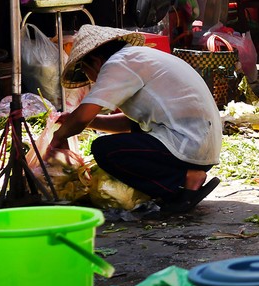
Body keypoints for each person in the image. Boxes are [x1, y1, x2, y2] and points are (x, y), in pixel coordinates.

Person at [47, 25, 223, 214]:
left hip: (188, 147)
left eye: (86, 73)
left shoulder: (119, 63)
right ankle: (180, 183)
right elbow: (128, 123)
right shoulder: (137, 57)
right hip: (198, 146)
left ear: (95, 62)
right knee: (131, 134)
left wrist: (58, 137)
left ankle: (184, 178)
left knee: (104, 149)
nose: (91, 80)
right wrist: (83, 122)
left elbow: (82, 116)